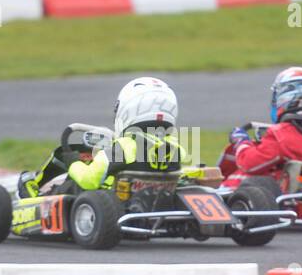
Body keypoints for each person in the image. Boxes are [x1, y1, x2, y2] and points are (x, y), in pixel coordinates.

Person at [20, 76, 186, 197]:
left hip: (115, 204)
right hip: (155, 201)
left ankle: (35, 194)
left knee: (75, 182)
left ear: (130, 109)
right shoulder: (176, 148)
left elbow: (89, 180)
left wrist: (73, 163)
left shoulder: (124, 147)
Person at [219, 66, 302, 189]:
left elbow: (248, 164)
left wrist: (241, 142)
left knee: (242, 176)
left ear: (285, 97)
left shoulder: (280, 135)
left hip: (290, 201)